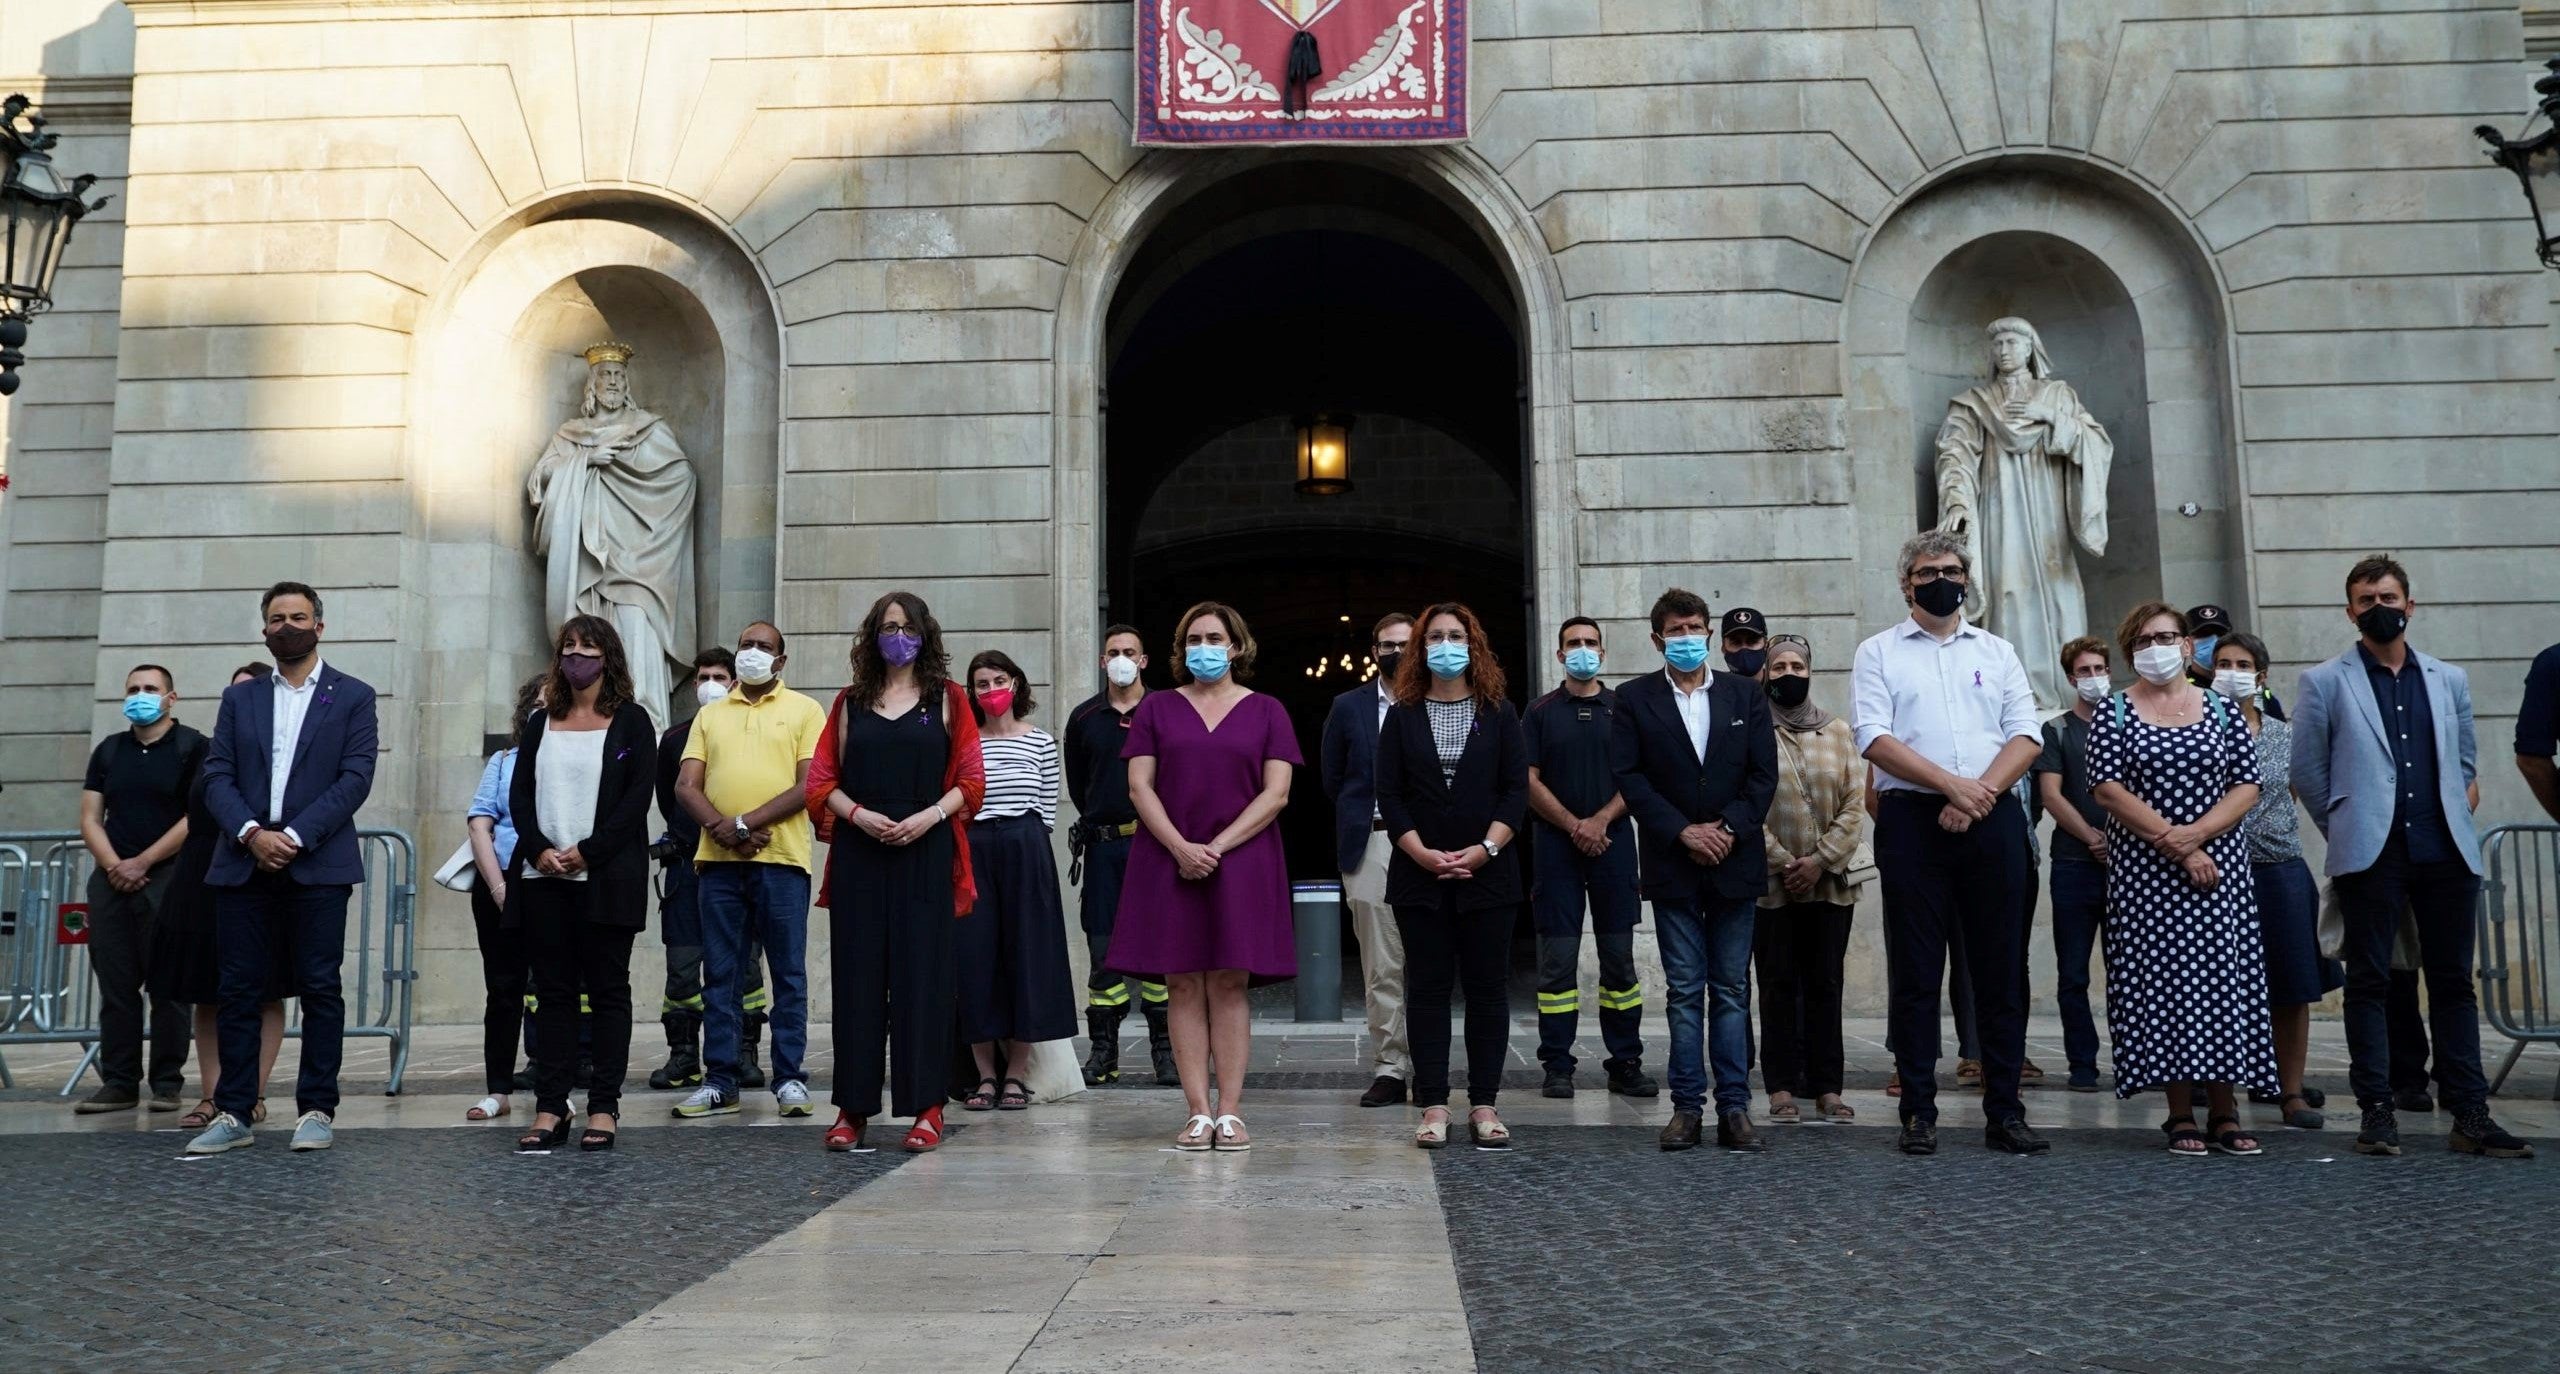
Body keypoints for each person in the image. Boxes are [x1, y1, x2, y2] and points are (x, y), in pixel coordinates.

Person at [2293, 553, 2532, 1158]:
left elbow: (2468, 763)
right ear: (2350, 611)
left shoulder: (2448, 679)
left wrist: (2449, 810)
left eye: (2389, 598)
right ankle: (2377, 1112)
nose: (2380, 608)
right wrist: (2347, 823)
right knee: (2370, 982)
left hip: (2444, 849)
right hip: (2371, 854)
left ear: (2410, 605)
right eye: (2367, 600)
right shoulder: (2325, 681)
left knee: (2454, 982)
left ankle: (2471, 1115)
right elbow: (2308, 773)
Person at [1850, 532, 2045, 1157]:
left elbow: (2027, 732)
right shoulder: (1877, 652)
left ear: (1967, 578)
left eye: (1954, 569)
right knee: (1915, 970)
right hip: (1912, 821)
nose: (1944, 579)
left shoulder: (1998, 649)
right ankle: (1917, 1111)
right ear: (1907, 582)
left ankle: (2006, 1111)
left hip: (1993, 818)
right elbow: (1874, 738)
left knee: (2000, 972)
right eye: (1930, 570)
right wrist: (1951, 788)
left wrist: (1979, 793)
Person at [187, 582, 379, 1156]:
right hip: (244, 862)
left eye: (298, 617)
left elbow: (356, 777)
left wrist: (293, 836)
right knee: (239, 989)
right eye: (276, 618)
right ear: (263, 629)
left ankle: (317, 1107)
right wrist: (251, 833)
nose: (286, 626)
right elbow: (216, 775)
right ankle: (234, 1109)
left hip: (317, 862)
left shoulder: (354, 696)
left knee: (321, 987)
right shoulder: (240, 699)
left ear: (319, 626)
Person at [1109, 601, 1301, 1151]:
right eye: (1193, 640)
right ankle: (1196, 1110)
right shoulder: (1157, 709)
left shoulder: (1267, 710)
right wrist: (1180, 847)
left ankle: (1232, 1111)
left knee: (1229, 981)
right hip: (1168, 856)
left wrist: (1215, 846)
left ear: (1236, 646)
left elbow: (1277, 792)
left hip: (1242, 859)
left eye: (1214, 638)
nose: (1203, 649)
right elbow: (1139, 786)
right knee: (1182, 981)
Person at [2085, 603, 2276, 1157]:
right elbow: (2107, 789)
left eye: (2168, 636)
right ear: (2130, 652)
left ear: (2189, 646)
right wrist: (2172, 840)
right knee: (2163, 987)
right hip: (2147, 875)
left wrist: (2195, 836)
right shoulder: (2115, 712)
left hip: (2218, 872)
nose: (2159, 645)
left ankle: (2225, 1110)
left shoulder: (2221, 709)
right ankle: (2178, 1113)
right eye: (2146, 639)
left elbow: (2247, 785)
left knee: (2220, 984)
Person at [806, 592, 984, 1154]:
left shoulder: (948, 699)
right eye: (887, 627)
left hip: (926, 850)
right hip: (862, 851)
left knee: (924, 980)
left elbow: (971, 782)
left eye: (906, 627)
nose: (897, 635)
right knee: (857, 979)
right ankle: (851, 1109)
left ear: (925, 634)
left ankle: (927, 1107)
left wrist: (928, 817)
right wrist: (858, 815)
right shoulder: (849, 702)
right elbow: (820, 782)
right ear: (871, 637)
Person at [1614, 588, 1777, 1153]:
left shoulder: (1744, 696)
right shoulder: (1633, 699)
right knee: (1684, 990)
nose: (1688, 638)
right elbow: (1631, 778)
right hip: (1672, 861)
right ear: (1658, 638)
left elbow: (1763, 777)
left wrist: (1727, 829)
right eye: (1677, 630)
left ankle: (1735, 1109)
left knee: (1731, 989)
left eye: (1696, 628)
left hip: (1735, 860)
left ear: (1709, 633)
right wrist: (1683, 831)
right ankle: (1687, 1109)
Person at [1377, 603, 1528, 1149]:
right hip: (1420, 874)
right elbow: (1389, 794)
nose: (1446, 644)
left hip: (1489, 874)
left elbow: (1515, 792)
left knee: (1488, 990)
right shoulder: (1402, 714)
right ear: (1421, 648)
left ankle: (1484, 1104)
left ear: (1474, 645)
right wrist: (1418, 851)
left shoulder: (1500, 712)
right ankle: (1434, 1102)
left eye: (1456, 635)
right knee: (1428, 988)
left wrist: (1486, 847)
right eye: (1435, 636)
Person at [506, 617, 657, 1152]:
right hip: (543, 877)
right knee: (553, 996)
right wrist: (539, 849)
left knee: (609, 993)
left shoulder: (633, 722)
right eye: (568, 647)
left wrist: (587, 852)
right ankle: (551, 1107)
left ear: (607, 656)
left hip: (604, 878)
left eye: (587, 647)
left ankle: (603, 1107)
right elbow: (519, 796)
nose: (576, 656)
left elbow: (636, 799)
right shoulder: (541, 721)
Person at [669, 620, 825, 1120]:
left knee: (788, 973)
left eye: (764, 647)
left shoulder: (805, 710)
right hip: (717, 866)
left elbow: (809, 785)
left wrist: (742, 824)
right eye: (746, 646)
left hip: (781, 861)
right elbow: (686, 784)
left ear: (781, 661)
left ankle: (789, 1078)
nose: (752, 653)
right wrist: (723, 829)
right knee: (721, 974)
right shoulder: (712, 715)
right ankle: (721, 1080)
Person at [149, 663, 289, 1132]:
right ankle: (213, 1094)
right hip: (202, 875)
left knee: (265, 989)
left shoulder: (281, 749)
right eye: (233, 695)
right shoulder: (206, 750)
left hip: (263, 872)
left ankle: (252, 1093)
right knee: (207, 990)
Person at [1521, 617, 1655, 1099]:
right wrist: (1574, 825)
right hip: (1556, 851)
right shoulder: (1538, 712)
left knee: (1618, 962)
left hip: (1614, 848)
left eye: (1590, 643)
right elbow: (1527, 780)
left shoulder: (1627, 709)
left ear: (1604, 651)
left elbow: (1640, 776)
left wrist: (1599, 821)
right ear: (1559, 655)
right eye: (1573, 644)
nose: (1582, 650)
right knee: (1557, 965)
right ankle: (1557, 1064)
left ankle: (1625, 1062)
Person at [2212, 632, 2339, 1130]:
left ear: (2261, 676)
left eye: (2242, 663)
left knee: (2291, 984)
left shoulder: (2285, 735)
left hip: (2278, 868)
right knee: (2220, 988)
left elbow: (2302, 791)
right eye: (2223, 662)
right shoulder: (2195, 728)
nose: (2232, 670)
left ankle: (2291, 1092)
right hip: (2217, 870)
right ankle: (2226, 1098)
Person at [73, 663, 208, 1115]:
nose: (141, 695)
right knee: (116, 985)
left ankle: (167, 1083)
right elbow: (91, 817)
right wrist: (115, 865)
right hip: (112, 880)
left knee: (168, 986)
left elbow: (196, 818)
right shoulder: (109, 751)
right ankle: (118, 1082)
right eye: (133, 688)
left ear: (172, 698)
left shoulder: (194, 748)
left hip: (168, 878)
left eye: (151, 688)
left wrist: (144, 861)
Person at [953, 649, 1078, 1111]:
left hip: (1026, 847)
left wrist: (1024, 842)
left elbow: (1047, 806)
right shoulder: (964, 742)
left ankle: (1016, 1076)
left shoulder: (1041, 741)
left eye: (998, 680)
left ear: (1018, 684)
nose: (991, 690)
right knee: (975, 956)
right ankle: (985, 1076)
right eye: (981, 684)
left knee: (1028, 955)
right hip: (975, 845)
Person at [650, 648, 776, 1092]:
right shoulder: (674, 739)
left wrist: (737, 834)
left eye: (719, 675)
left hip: (743, 861)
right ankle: (683, 1055)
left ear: (735, 681)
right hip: (688, 865)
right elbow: (672, 798)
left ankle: (744, 1053)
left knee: (744, 966)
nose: (709, 683)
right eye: (702, 675)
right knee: (683, 966)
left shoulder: (752, 731)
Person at [1754, 633, 1865, 1124]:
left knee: (1825, 984)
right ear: (1765, 675)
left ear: (1811, 671)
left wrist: (1819, 861)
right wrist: (1783, 863)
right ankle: (1779, 1086)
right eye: (1778, 668)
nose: (1788, 675)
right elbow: (1746, 802)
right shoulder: (1751, 729)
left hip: (1830, 882)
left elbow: (1854, 804)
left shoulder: (1838, 731)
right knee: (1776, 984)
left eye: (1797, 666)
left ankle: (1827, 1087)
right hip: (1773, 885)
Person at [1065, 625, 1175, 1086]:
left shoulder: (1169, 710)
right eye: (1114, 652)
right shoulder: (1085, 717)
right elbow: (1078, 785)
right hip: (1105, 847)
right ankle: (1104, 1054)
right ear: (1102, 661)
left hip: (1157, 847)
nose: (1122, 659)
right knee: (1103, 950)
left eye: (1130, 651)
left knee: (1161, 953)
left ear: (1144, 660)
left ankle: (1166, 1053)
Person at [1321, 611, 1416, 1108]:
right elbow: (1333, 779)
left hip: (1433, 842)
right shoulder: (1348, 706)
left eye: (1404, 643)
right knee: (1382, 965)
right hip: (1372, 842)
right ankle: (1391, 1067)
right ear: (1373, 651)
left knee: (1431, 958)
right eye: (1385, 645)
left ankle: (1433, 1063)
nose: (1395, 652)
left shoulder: (1441, 698)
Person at [461, 673, 547, 1122]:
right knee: (503, 988)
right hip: (499, 885)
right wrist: (498, 888)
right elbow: (480, 822)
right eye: (538, 702)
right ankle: (498, 1088)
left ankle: (556, 1088)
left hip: (552, 883)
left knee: (557, 988)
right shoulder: (502, 760)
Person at [2034, 636, 2114, 1093]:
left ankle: (2137, 1058)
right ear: (2070, 678)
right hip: (2073, 865)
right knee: (2073, 973)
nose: (2093, 678)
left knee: (2131, 973)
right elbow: (2051, 794)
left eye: (2099, 668)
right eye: (2084, 671)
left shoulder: (2127, 724)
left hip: (2128, 866)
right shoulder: (2058, 731)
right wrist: (2090, 838)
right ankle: (2082, 1063)